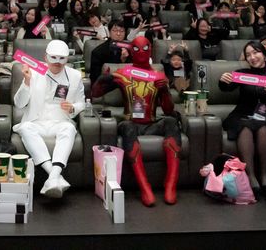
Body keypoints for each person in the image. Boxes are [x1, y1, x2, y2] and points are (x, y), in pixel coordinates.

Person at [91, 36, 182, 206]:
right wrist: (103, 79)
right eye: (137, 49)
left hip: (152, 122)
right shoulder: (123, 73)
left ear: (151, 50)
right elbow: (95, 94)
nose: (141, 52)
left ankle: (170, 185)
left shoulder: (158, 76)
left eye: (145, 49)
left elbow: (169, 110)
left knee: (171, 122)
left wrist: (165, 92)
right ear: (130, 51)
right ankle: (144, 188)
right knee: (127, 127)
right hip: (130, 122)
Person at [13, 40, 85, 198]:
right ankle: (55, 176)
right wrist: (26, 82)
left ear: (67, 59)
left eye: (62, 58)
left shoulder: (75, 76)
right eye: (53, 57)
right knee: (25, 128)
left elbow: (82, 103)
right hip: (36, 122)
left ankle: (52, 177)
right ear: (45, 57)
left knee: (69, 129)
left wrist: (73, 107)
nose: (57, 62)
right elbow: (19, 104)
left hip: (60, 122)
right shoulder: (33, 72)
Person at [218, 41, 266, 194]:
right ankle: (250, 176)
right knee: (245, 126)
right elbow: (226, 87)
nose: (252, 57)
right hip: (241, 115)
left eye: (255, 52)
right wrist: (223, 80)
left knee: (262, 127)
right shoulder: (242, 73)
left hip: (263, 116)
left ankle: (264, 175)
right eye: (248, 55)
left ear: (264, 54)